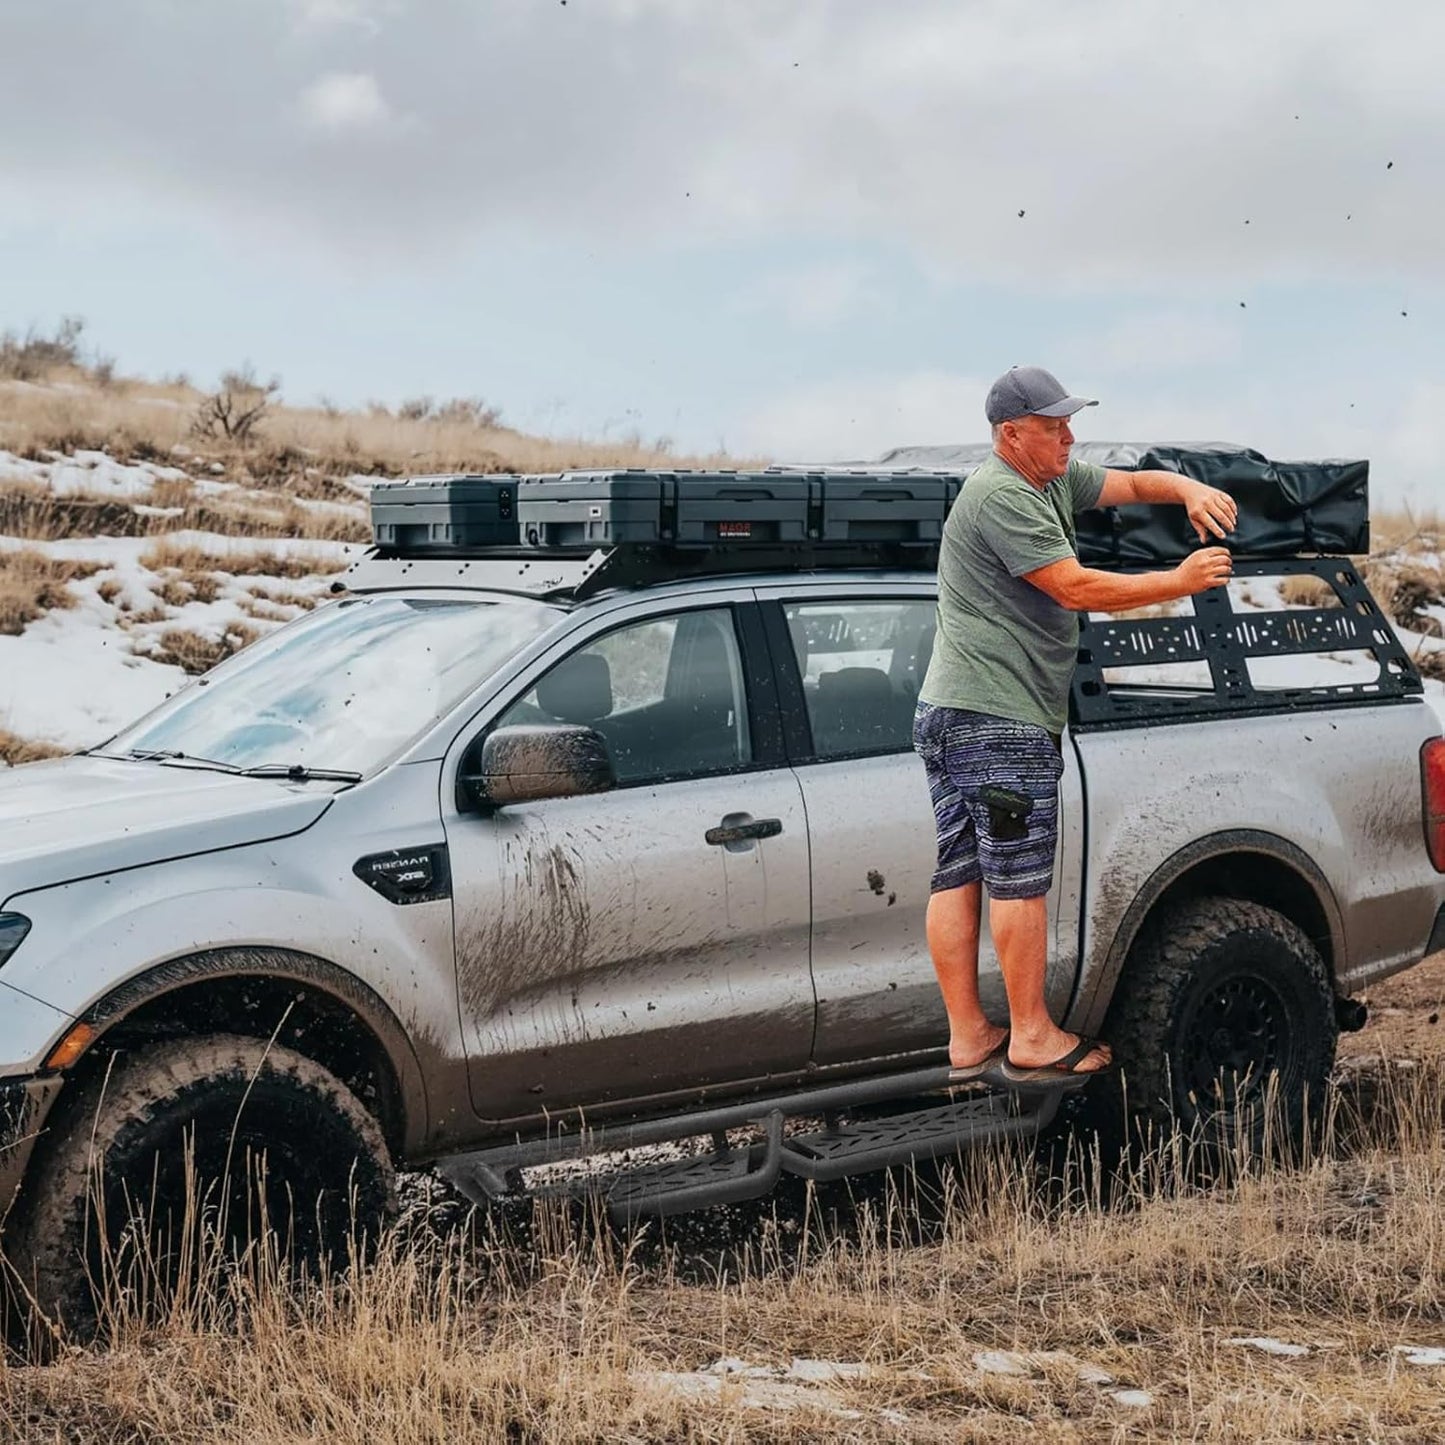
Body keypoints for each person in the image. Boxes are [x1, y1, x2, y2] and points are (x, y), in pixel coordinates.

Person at [913, 365, 1237, 1085]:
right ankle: (1029, 1034)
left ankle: (968, 1035)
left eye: (1069, 420)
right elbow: (1074, 585)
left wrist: (1183, 486)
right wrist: (1178, 581)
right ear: (1010, 434)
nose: (1068, 434)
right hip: (997, 719)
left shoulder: (1048, 474)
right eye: (1053, 424)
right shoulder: (1001, 495)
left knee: (960, 868)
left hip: (954, 711)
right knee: (1017, 879)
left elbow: (1126, 484)